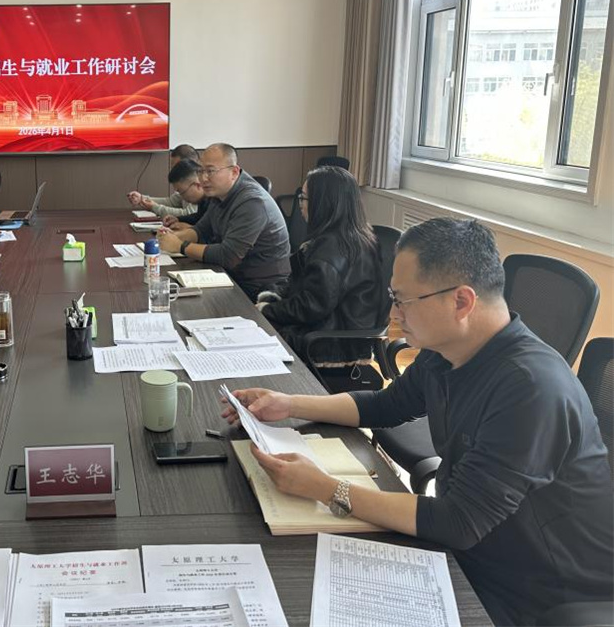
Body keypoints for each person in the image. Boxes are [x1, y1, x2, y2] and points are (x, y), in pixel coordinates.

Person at [223, 218, 614, 626]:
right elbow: (386, 405)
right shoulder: (448, 348)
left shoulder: (530, 389)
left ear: (461, 302)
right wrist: (288, 404)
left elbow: (458, 522)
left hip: (536, 591)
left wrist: (325, 487)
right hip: (472, 550)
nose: (393, 313)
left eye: (402, 300)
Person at [256, 166, 388, 390]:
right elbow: (303, 285)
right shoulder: (349, 235)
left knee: (259, 336)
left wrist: (267, 309)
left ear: (323, 203)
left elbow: (312, 306)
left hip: (330, 343)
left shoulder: (332, 248)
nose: (301, 204)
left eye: (304, 198)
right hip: (336, 333)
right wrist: (273, 296)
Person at [157, 143, 290, 300]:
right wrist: (170, 237)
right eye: (200, 171)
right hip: (231, 276)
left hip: (259, 289)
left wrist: (180, 246)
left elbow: (228, 256)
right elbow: (201, 230)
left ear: (234, 172)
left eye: (210, 171)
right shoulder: (219, 193)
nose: (203, 178)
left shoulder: (252, 202)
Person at [127, 144, 200, 218]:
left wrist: (155, 207)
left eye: (176, 167)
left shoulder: (199, 185)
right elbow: (172, 202)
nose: (172, 171)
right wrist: (142, 198)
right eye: (172, 167)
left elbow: (189, 213)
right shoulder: (184, 184)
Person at [158, 159, 209, 230]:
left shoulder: (215, 201)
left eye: (181, 192)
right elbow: (198, 217)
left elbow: (213, 233)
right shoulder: (203, 201)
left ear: (198, 185)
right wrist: (178, 219)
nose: (182, 197)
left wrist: (191, 229)